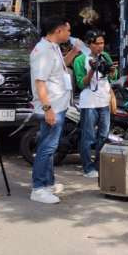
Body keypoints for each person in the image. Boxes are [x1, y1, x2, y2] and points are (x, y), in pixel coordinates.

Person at [29, 16, 80, 204]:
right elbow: (40, 82)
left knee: (49, 146)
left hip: (58, 105)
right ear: (58, 30)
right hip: (51, 107)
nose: (69, 33)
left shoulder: (53, 48)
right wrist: (48, 109)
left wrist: (74, 52)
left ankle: (48, 183)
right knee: (47, 148)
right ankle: (39, 188)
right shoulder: (43, 51)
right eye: (67, 30)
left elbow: (60, 68)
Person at [72, 29, 117, 179]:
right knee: (88, 136)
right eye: (97, 43)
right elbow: (80, 84)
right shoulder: (80, 60)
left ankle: (99, 165)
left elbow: (112, 76)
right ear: (89, 44)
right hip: (89, 103)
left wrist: (110, 70)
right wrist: (92, 70)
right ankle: (88, 167)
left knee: (103, 136)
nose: (100, 46)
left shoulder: (105, 56)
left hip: (104, 101)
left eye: (102, 43)